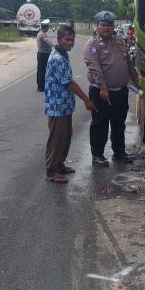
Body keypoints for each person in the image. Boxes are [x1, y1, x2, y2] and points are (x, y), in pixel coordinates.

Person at [82, 11, 139, 166]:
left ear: (113, 26)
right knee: (100, 123)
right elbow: (95, 68)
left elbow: (128, 63)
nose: (106, 28)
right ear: (97, 26)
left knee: (119, 123)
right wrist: (103, 88)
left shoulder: (119, 41)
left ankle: (119, 152)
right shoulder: (92, 45)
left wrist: (136, 82)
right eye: (103, 25)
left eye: (109, 25)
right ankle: (97, 155)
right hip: (101, 92)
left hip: (120, 91)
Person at [44, 24, 95, 183]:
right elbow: (69, 83)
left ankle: (59, 165)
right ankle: (51, 171)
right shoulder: (58, 58)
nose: (71, 43)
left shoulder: (62, 53)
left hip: (64, 104)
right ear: (59, 39)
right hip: (57, 106)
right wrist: (86, 99)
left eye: (72, 39)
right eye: (67, 39)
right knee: (57, 139)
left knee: (65, 137)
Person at [36, 19, 54, 92]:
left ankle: (40, 85)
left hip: (41, 53)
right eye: (48, 27)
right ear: (46, 27)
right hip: (44, 54)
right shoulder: (43, 34)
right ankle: (41, 86)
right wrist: (55, 46)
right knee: (43, 71)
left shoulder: (39, 33)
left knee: (40, 70)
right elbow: (48, 41)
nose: (48, 28)